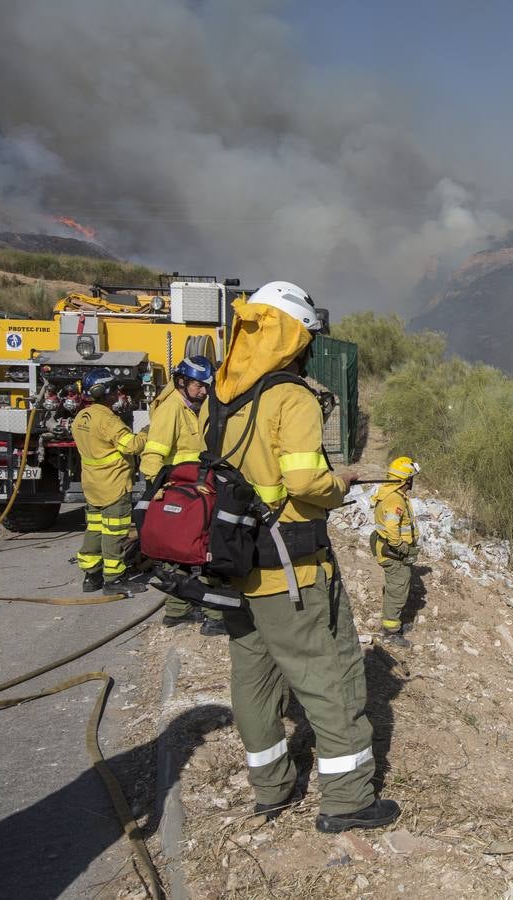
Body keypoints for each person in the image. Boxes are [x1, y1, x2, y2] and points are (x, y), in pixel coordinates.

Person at [201, 280, 399, 833]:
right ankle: (348, 800)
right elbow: (306, 482)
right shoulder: (291, 395)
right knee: (329, 676)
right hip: (291, 569)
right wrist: (342, 481)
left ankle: (272, 787)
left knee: (254, 678)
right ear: (296, 338)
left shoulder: (222, 395)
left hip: (234, 565)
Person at [140, 355, 226, 636]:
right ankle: (213, 616)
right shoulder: (171, 410)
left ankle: (178, 610)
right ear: (181, 382)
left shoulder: (193, 408)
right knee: (204, 552)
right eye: (198, 385)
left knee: (182, 553)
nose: (203, 390)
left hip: (195, 491)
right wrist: (160, 492)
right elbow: (153, 454)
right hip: (182, 494)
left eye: (206, 385)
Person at [72, 368, 148, 595]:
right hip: (113, 485)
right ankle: (114, 580)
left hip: (93, 485)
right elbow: (132, 446)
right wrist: (146, 431)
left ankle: (91, 575)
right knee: (114, 532)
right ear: (104, 392)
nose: (119, 393)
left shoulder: (81, 417)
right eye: (115, 389)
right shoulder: (107, 420)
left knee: (94, 528)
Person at [372, 456, 420, 649]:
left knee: (398, 586)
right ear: (406, 479)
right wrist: (402, 548)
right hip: (393, 554)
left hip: (391, 552)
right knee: (397, 590)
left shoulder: (393, 494)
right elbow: (393, 529)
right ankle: (390, 632)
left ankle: (395, 623)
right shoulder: (394, 499)